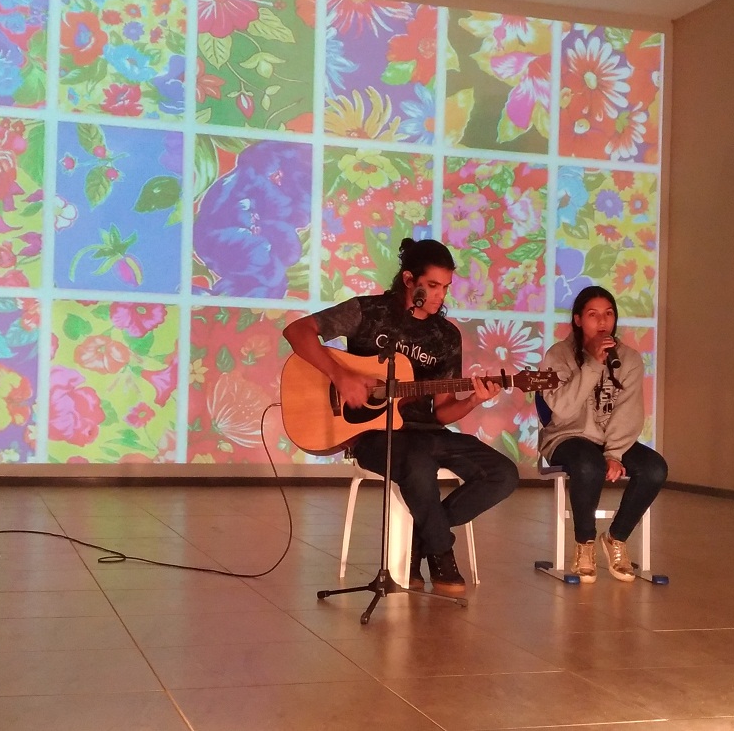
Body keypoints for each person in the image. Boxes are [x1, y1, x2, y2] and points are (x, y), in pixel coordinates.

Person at [283, 238, 519, 595]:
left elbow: (442, 412)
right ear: (409, 279)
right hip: (372, 434)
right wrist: (340, 376)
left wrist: (473, 399)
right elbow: (297, 331)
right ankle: (441, 552)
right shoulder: (369, 311)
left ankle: (420, 541)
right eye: (433, 285)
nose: (440, 295)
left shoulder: (445, 336)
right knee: (417, 462)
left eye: (446, 287)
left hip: (427, 433)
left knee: (503, 474)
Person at [539, 285, 667, 583]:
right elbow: (563, 409)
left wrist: (614, 453)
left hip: (612, 440)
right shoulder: (558, 355)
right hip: (567, 436)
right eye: (593, 315)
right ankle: (584, 544)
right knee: (588, 465)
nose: (602, 321)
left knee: (654, 468)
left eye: (608, 314)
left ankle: (616, 537)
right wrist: (593, 364)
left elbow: (628, 412)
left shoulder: (629, 358)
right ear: (577, 319)